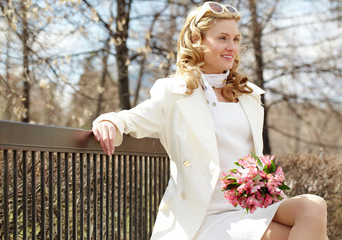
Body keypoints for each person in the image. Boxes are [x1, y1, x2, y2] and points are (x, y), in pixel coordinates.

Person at [92, 2, 328, 239]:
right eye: (223, 38)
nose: (232, 47)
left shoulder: (248, 96)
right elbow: (134, 118)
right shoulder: (175, 92)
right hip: (206, 215)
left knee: (313, 206)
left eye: (235, 39)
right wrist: (110, 122)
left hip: (250, 205)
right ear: (196, 39)